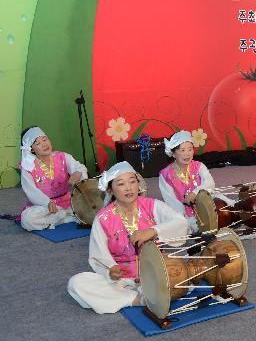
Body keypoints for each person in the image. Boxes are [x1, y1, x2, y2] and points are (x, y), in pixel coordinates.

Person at [66, 162, 188, 314]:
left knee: (180, 275)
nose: (128, 188)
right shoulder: (103, 218)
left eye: (132, 181)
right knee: (76, 283)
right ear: (110, 189)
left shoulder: (152, 205)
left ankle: (142, 295)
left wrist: (153, 231)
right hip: (121, 280)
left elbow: (181, 222)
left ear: (139, 184)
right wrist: (110, 269)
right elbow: (98, 255)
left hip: (155, 272)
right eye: (121, 184)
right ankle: (136, 300)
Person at [18, 126, 89, 231]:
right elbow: (31, 191)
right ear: (31, 150)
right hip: (47, 207)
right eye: (38, 143)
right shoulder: (28, 167)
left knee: (95, 202)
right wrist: (47, 203)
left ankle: (61, 217)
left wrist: (77, 174)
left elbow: (80, 167)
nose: (44, 144)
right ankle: (68, 217)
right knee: (27, 219)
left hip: (69, 201)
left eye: (45, 139)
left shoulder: (63, 157)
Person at [158, 130, 219, 232]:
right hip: (183, 212)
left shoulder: (199, 166)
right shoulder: (165, 175)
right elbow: (171, 201)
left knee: (227, 209)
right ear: (173, 154)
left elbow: (210, 183)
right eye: (182, 150)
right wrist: (186, 218)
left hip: (206, 204)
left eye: (190, 149)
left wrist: (195, 193)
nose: (187, 154)